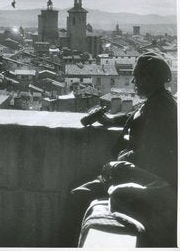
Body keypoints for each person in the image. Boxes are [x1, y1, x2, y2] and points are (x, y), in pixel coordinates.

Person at [72, 52, 177, 246]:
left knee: (80, 195)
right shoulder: (157, 101)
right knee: (81, 193)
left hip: (152, 181)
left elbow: (152, 156)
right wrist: (109, 120)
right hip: (141, 174)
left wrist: (118, 166)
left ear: (150, 78)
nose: (134, 81)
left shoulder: (162, 108)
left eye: (138, 77)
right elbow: (134, 116)